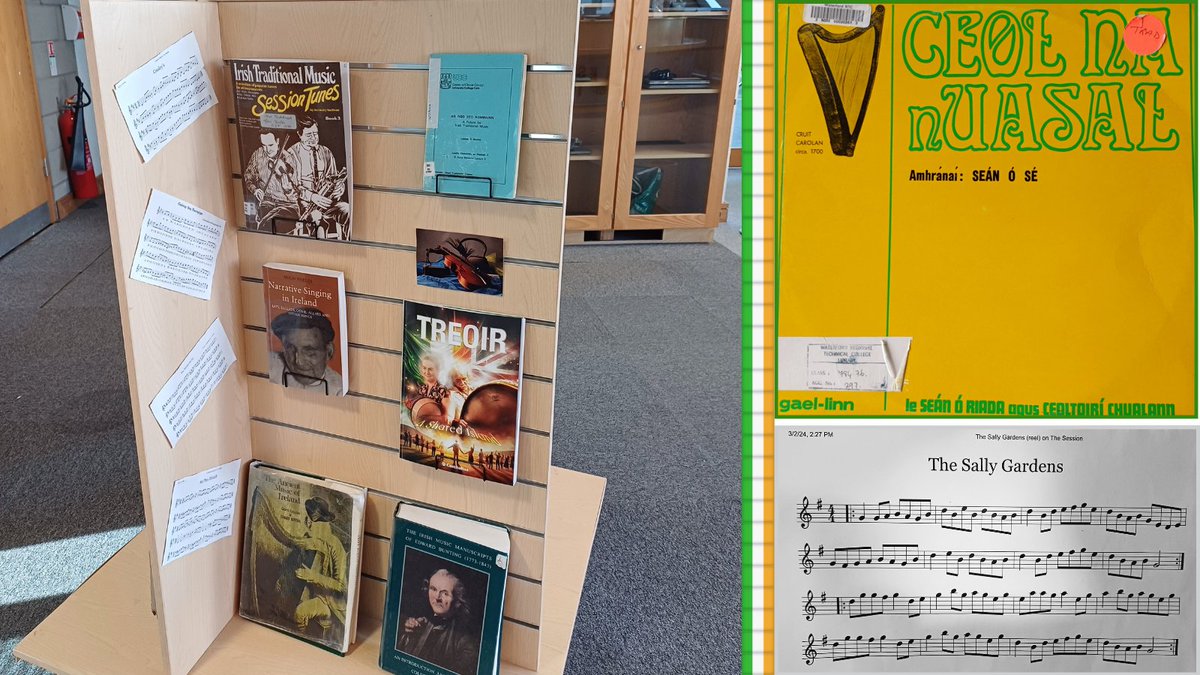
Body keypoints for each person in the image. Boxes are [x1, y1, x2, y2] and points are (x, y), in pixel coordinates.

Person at [396, 568, 479, 674]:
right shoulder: (422, 622)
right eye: (433, 589)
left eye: (445, 593)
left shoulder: (465, 640)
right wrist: (408, 637)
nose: (437, 597)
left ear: (458, 601)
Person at [292, 497, 349, 641]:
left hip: (333, 605)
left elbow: (341, 586)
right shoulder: (320, 542)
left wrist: (312, 576)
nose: (309, 525)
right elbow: (315, 544)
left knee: (300, 612)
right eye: (309, 520)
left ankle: (302, 639)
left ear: (324, 524)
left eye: (313, 521)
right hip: (320, 596)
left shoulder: (336, 546)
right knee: (298, 610)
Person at [288, 116, 350, 239]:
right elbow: (291, 187)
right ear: (299, 135)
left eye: (315, 134)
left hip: (328, 202)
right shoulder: (291, 154)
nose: (313, 138)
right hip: (306, 204)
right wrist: (312, 197)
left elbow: (335, 178)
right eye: (309, 135)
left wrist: (339, 188)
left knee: (347, 210)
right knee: (316, 218)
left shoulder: (326, 152)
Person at [268, 308, 343, 396]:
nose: (298, 361)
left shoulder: (338, 390)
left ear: (329, 352)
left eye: (309, 352)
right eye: (291, 349)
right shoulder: (270, 365)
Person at [242, 130, 299, 230]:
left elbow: (298, 191)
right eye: (264, 145)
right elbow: (248, 176)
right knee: (260, 223)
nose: (267, 149)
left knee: (268, 225)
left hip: (287, 206)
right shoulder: (258, 154)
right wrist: (255, 190)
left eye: (271, 145)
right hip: (266, 203)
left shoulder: (288, 158)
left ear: (277, 141)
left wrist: (288, 190)